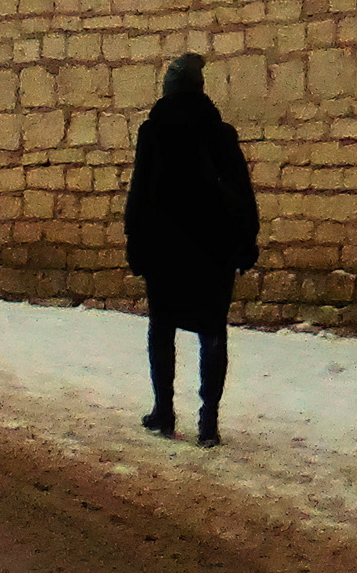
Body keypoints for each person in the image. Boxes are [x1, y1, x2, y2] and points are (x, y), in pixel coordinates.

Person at [123, 50, 260, 445]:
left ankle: (164, 412)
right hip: (213, 248)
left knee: (162, 329)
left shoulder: (155, 132)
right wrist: (247, 238)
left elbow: (141, 190)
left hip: (165, 248)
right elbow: (241, 190)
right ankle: (208, 423)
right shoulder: (220, 134)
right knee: (212, 332)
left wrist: (135, 238)